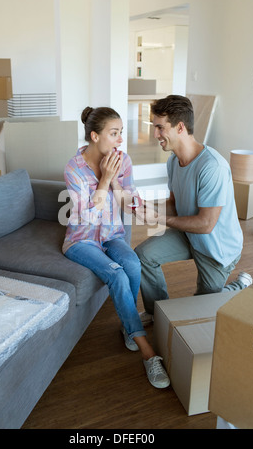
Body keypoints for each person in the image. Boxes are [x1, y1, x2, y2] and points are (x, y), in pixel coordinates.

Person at [62, 106, 170, 388]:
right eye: (114, 133)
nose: (120, 139)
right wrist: (106, 179)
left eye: (121, 132)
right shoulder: (74, 168)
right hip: (80, 240)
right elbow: (85, 216)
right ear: (95, 136)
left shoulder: (122, 160)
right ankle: (148, 352)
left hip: (112, 235)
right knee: (118, 274)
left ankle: (127, 325)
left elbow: (128, 197)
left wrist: (143, 209)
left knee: (132, 263)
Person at [134, 95, 253, 322]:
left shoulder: (212, 167)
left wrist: (158, 218)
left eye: (160, 127)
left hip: (217, 250)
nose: (155, 134)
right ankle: (156, 312)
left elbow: (206, 224)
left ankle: (237, 287)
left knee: (203, 310)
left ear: (180, 127)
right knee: (143, 256)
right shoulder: (173, 161)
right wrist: (145, 206)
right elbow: (174, 204)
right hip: (190, 236)